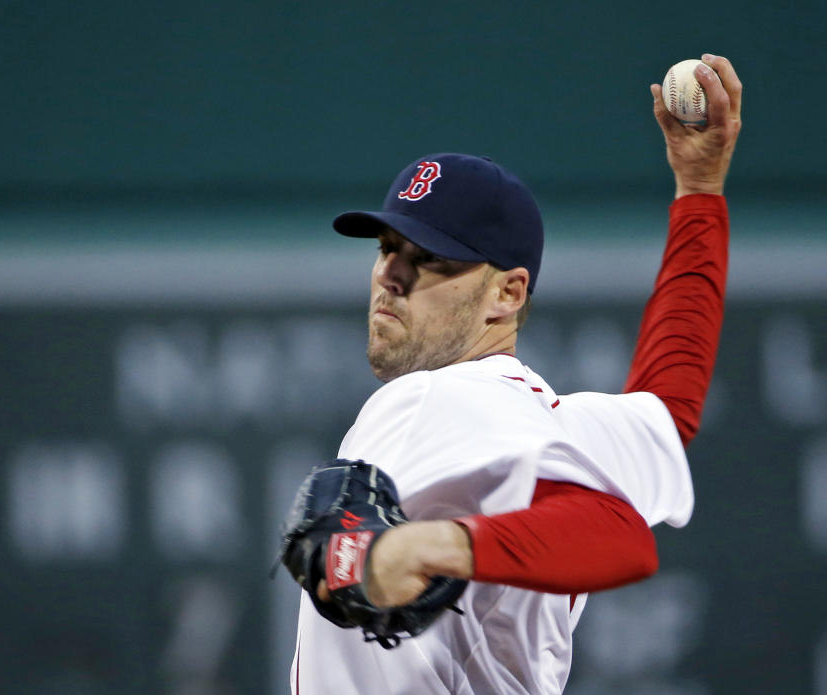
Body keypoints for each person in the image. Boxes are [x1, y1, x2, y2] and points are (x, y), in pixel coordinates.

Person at [290, 54, 742, 693]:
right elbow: (671, 405)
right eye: (387, 248)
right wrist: (700, 192)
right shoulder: (555, 420)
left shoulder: (440, 398)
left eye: (430, 259)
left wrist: (431, 546)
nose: (391, 274)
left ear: (507, 293)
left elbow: (618, 535)